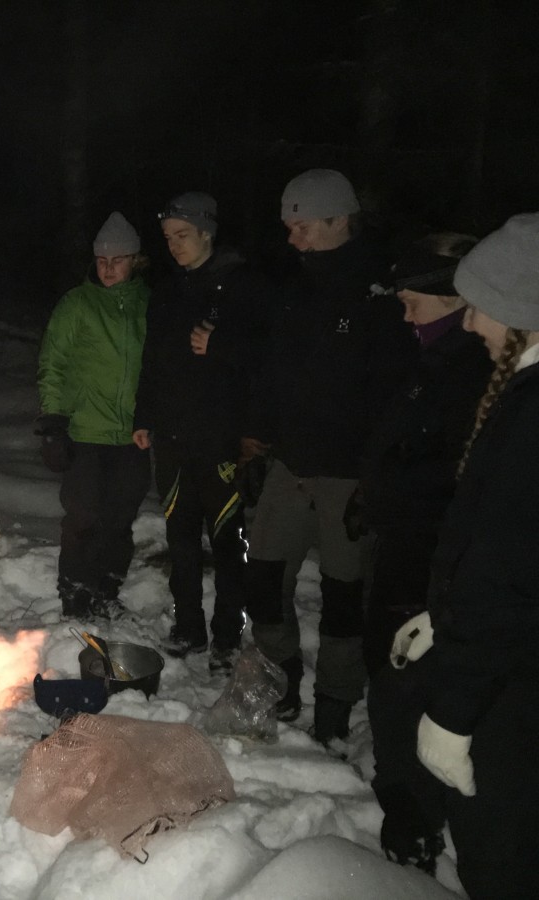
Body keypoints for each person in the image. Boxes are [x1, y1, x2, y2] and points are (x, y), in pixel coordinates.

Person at [372, 213, 539, 898]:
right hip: (497, 663)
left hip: (510, 689)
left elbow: (506, 580)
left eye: (481, 307)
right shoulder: (521, 394)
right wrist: (443, 617)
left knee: (502, 860)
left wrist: (453, 714)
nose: (469, 324)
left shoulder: (531, 415)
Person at [242, 169, 415, 740]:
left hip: (348, 475)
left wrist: (376, 478)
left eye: (304, 227)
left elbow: (394, 394)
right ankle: (281, 680)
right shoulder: (294, 288)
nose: (293, 239)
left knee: (344, 598)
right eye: (289, 228)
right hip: (290, 464)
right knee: (264, 579)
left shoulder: (380, 293)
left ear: (340, 220)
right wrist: (256, 437)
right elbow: (272, 372)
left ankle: (335, 708)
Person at [133, 192, 269, 675]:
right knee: (181, 538)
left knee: (228, 540)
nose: (174, 245)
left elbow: (265, 358)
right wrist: (144, 417)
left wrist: (222, 345)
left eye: (183, 235)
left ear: (207, 233)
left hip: (221, 439)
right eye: (168, 237)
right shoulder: (168, 291)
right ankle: (188, 626)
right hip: (173, 438)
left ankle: (227, 635)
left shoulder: (241, 285)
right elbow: (153, 361)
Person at [356, 234, 491, 679]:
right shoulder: (428, 356)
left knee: (401, 658)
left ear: (453, 298)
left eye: (413, 303)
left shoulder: (473, 370)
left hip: (428, 547)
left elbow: (457, 469)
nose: (407, 315)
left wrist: (392, 485)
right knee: (383, 645)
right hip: (400, 532)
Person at [37, 211, 151, 619]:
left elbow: (162, 368)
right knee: (83, 518)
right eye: (102, 260)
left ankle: (106, 591)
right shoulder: (77, 304)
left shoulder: (150, 304)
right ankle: (75, 595)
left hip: (133, 436)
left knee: (119, 520)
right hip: (84, 431)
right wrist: (53, 422)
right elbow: (53, 363)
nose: (108, 268)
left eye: (117, 260)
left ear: (135, 260)